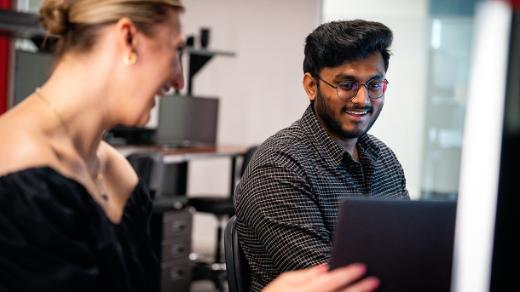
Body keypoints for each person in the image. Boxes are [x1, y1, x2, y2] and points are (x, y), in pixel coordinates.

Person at [0, 1, 379, 291]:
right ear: (128, 38)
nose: (178, 80)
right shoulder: (15, 175)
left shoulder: (117, 172)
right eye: (174, 51)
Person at [234, 19, 410, 291]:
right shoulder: (279, 168)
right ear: (311, 86)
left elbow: (407, 249)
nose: (362, 100)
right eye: (347, 84)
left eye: (374, 84)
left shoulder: (384, 159)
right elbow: (333, 285)